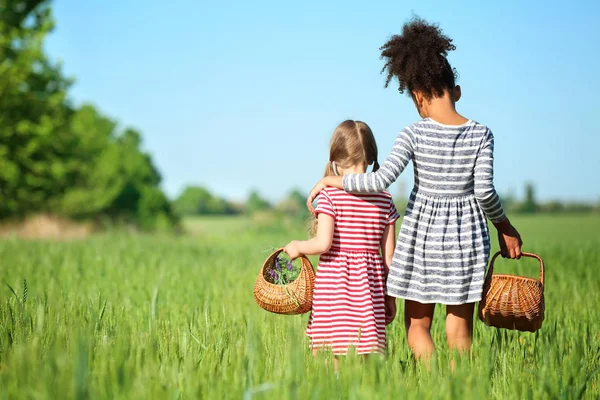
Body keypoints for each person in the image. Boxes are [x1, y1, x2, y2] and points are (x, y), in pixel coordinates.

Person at [305, 17, 523, 361]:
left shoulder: (414, 133)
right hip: (466, 242)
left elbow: (379, 180)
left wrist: (335, 179)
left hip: (423, 241)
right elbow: (484, 192)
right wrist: (505, 227)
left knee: (418, 327)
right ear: (457, 91)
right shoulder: (482, 134)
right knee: (459, 330)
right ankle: (459, 390)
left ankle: (432, 385)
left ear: (417, 96)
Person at [283, 120, 399, 371]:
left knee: (330, 358)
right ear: (370, 158)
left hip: (335, 290)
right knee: (367, 361)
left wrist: (297, 247)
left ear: (335, 159)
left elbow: (323, 243)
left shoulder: (330, 195)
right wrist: (390, 299)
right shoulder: (385, 199)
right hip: (371, 292)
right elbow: (390, 260)